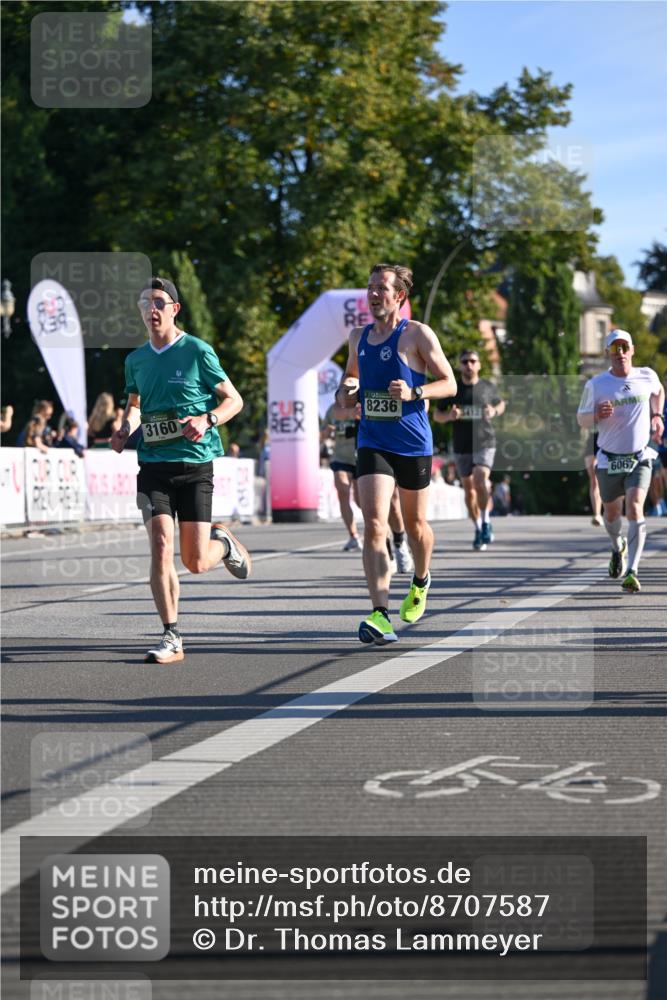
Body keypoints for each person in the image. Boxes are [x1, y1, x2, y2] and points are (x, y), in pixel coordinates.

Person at [111, 276, 251, 663]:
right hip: (153, 465)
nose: (150, 309)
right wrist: (126, 427)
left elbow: (234, 400)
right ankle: (171, 635)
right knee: (160, 545)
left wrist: (208, 419)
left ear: (175, 309)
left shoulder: (197, 351)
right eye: (144, 303)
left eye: (158, 302)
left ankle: (221, 543)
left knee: (195, 562)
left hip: (194, 465)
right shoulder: (135, 359)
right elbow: (136, 403)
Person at [336, 262, 456, 644]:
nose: (374, 294)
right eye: (370, 287)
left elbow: (449, 383)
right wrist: (347, 393)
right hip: (372, 440)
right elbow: (347, 384)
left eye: (382, 288)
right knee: (373, 521)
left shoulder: (417, 334)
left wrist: (415, 392)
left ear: (399, 296)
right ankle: (380, 613)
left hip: (413, 443)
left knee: (416, 524)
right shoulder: (358, 337)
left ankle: (421, 579)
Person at [577, 329, 664, 593]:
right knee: (612, 513)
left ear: (632, 350)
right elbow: (581, 419)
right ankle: (618, 547)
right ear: (607, 353)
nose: (621, 353)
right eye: (615, 349)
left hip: (639, 456)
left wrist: (657, 415)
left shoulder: (647, 375)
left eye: (624, 347)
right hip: (609, 459)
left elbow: (659, 391)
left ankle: (632, 571)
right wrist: (596, 414)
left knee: (635, 508)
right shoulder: (596, 384)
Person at [433, 349, 505, 550]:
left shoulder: (487, 387)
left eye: (473, 361)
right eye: (465, 361)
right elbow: (437, 415)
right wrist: (449, 416)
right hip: (462, 444)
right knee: (469, 491)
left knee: (481, 479)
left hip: (485, 442)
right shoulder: (453, 389)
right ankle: (478, 527)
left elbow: (501, 405)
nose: (469, 365)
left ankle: (486, 521)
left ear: (479, 364)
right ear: (459, 365)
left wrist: (493, 411)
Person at [323, 401, 362, 551]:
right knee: (342, 491)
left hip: (361, 456)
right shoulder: (333, 409)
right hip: (340, 457)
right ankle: (353, 536)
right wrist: (327, 432)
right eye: (344, 390)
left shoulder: (362, 404)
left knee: (361, 501)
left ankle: (379, 530)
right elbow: (322, 434)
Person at [584, 431, 603, 525]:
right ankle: (597, 514)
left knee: (612, 479)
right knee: (594, 480)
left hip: (609, 438)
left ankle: (612, 512)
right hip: (592, 439)